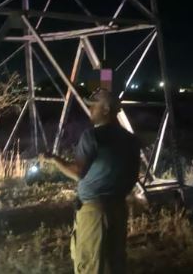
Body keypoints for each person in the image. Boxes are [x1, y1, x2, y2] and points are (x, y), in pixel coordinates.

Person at [40, 89, 140, 274]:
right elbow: (133, 175)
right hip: (118, 209)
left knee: (89, 265)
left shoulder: (92, 136)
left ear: (106, 109)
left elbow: (78, 172)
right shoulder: (131, 140)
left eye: (93, 106)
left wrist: (54, 159)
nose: (90, 110)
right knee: (115, 264)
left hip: (94, 212)